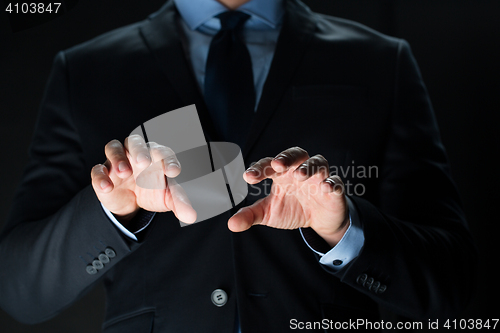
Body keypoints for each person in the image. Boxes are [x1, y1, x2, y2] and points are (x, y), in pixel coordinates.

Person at [0, 0, 477, 331]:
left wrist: (343, 231)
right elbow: (19, 289)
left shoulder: (378, 61)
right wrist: (112, 211)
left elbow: (453, 283)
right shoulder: (85, 70)